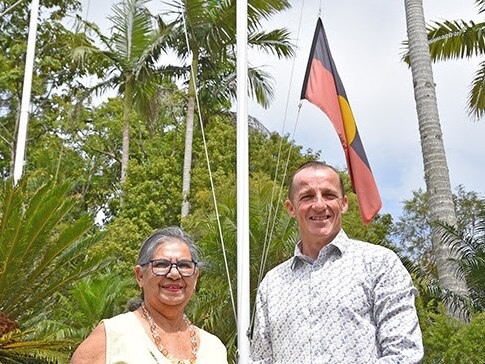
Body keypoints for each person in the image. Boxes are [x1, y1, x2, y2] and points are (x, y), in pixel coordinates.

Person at [250, 162, 423, 363]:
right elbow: (260, 359)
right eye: (307, 196)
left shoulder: (379, 264)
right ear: (291, 208)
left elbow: (404, 353)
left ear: (344, 203)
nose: (319, 205)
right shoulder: (272, 283)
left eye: (329, 195)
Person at [71, 226, 228, 364]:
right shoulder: (112, 335)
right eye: (162, 264)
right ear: (140, 276)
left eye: (184, 265)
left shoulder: (214, 347)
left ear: (195, 277)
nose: (174, 274)